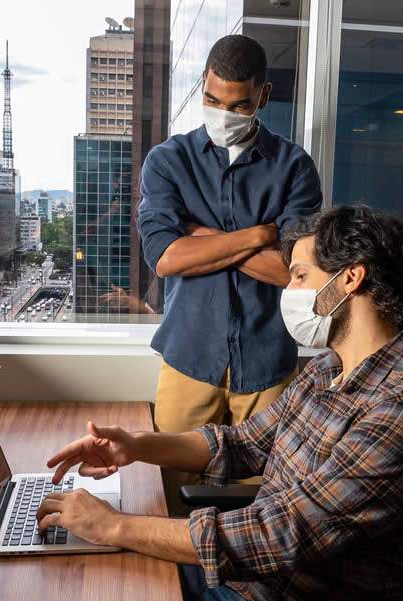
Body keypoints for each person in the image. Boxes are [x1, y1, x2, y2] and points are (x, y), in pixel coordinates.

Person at [37, 206, 403, 600]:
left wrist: (113, 525)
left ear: (349, 279)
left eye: (299, 275)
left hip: (285, 591)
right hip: (254, 580)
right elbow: (243, 444)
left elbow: (279, 534)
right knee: (84, 567)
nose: (288, 291)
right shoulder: (329, 366)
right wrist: (136, 446)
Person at [137, 34, 322, 508]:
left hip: (267, 360)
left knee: (260, 501)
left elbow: (294, 273)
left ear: (263, 96)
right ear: (203, 86)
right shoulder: (167, 162)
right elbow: (165, 258)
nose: (222, 114)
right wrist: (260, 235)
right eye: (212, 99)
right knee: (172, 498)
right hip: (189, 354)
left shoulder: (295, 167)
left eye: (238, 106)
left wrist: (201, 237)